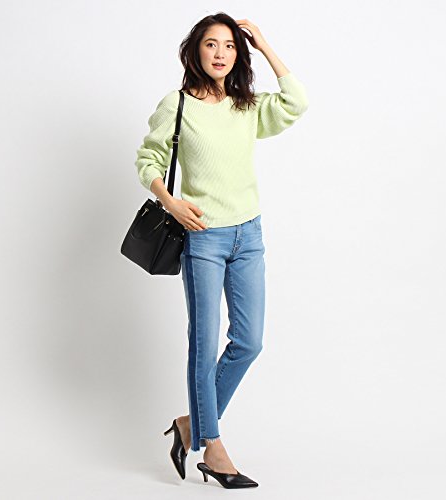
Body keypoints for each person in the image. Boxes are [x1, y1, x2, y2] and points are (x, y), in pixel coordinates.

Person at [135, 12, 309, 488]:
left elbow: (297, 101)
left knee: (249, 342)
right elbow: (148, 159)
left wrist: (264, 44)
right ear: (196, 49)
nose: (221, 53)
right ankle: (212, 447)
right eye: (212, 44)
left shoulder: (246, 105)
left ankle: (189, 425)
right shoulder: (177, 105)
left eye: (231, 45)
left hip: (248, 235)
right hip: (204, 237)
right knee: (205, 343)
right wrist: (171, 203)